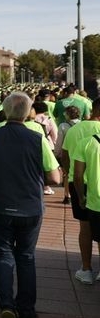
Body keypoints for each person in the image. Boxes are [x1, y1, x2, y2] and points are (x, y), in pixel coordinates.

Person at [0, 92, 60, 318]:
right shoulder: (37, 138)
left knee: (3, 254)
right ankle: (26, 311)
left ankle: (6, 302)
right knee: (26, 257)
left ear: (5, 111)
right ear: (28, 113)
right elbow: (55, 177)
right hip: (29, 207)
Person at [61, 97, 100, 284]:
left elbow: (66, 157)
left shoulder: (75, 130)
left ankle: (86, 268)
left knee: (85, 227)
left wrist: (67, 177)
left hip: (79, 184)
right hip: (97, 182)